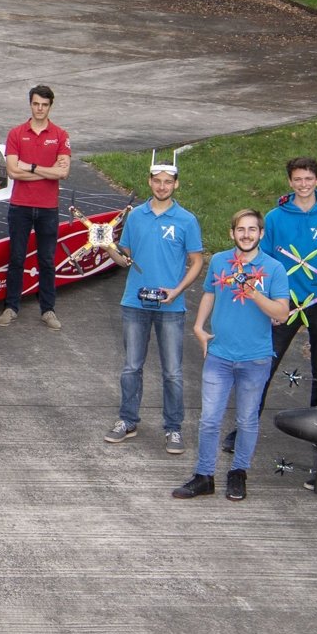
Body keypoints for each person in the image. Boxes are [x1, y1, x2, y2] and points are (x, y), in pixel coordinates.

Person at [225, 156, 317, 452]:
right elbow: (262, 262)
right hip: (284, 301)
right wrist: (267, 301)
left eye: (309, 179)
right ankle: (245, 427)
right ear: (290, 182)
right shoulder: (276, 217)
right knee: (264, 364)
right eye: (298, 179)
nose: (303, 184)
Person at [173, 210, 291, 502]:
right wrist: (199, 327)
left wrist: (255, 294)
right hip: (220, 355)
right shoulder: (219, 261)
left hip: (255, 358)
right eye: (241, 229)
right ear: (232, 233)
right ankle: (204, 476)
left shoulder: (274, 268)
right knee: (209, 420)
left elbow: (282, 313)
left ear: (261, 234)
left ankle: (238, 473)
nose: (246, 235)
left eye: (252, 229)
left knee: (247, 420)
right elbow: (210, 294)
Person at [103, 159, 205, 455]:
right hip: (134, 303)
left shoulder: (187, 220)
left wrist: (177, 291)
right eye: (157, 181)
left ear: (176, 184)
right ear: (149, 182)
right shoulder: (136, 217)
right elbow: (125, 258)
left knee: (172, 372)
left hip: (171, 307)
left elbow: (197, 261)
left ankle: (173, 427)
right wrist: (107, 246)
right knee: (131, 367)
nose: (162, 186)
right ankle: (127, 420)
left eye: (168, 181)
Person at [0, 84, 71, 329]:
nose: (40, 108)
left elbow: (63, 173)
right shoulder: (16, 134)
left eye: (44, 105)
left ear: (50, 106)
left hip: (48, 208)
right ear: (30, 104)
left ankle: (48, 310)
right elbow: (12, 171)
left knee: (47, 260)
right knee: (16, 257)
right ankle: (11, 307)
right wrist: (47, 172)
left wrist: (29, 167)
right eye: (36, 104)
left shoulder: (60, 135)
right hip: (20, 206)